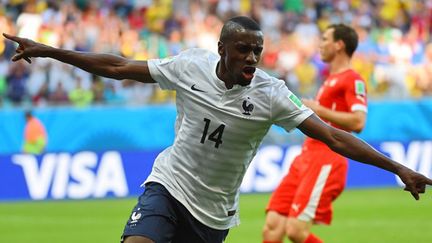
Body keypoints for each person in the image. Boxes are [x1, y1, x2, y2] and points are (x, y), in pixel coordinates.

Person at [3, 16, 431, 243]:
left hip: (214, 214)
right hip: (167, 186)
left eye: (257, 52)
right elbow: (117, 66)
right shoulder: (189, 66)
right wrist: (51, 51)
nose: (251, 58)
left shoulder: (271, 94)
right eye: (243, 49)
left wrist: (397, 167)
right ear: (222, 49)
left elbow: (335, 136)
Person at [263, 24, 368, 243]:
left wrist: (318, 109)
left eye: (324, 39)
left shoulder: (352, 79)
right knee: (272, 226)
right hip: (306, 155)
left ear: (339, 45)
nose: (320, 45)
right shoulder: (329, 79)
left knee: (295, 231)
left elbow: (358, 121)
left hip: (326, 157)